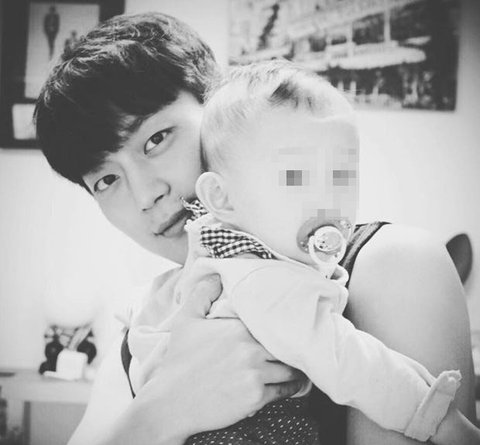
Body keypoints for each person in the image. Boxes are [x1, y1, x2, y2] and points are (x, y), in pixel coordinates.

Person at [34, 12, 476, 445]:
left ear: (217, 109)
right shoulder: (139, 326)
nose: (146, 194)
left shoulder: (393, 264)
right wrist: (165, 407)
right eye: (106, 180)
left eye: (156, 139)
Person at [126, 60, 477, 445]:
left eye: (342, 174)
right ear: (221, 198)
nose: (326, 196)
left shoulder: (223, 259)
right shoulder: (258, 278)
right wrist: (439, 420)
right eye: (296, 176)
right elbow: (351, 363)